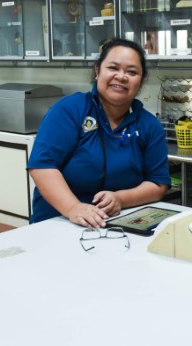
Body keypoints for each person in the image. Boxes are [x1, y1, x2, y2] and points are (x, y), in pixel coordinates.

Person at [28, 38, 171, 227]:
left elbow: (158, 184)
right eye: (113, 68)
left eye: (132, 72)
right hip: (58, 221)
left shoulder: (149, 125)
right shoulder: (70, 110)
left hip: (118, 224)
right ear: (98, 71)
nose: (121, 76)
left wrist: (120, 198)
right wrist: (73, 208)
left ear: (141, 81)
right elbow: (42, 166)